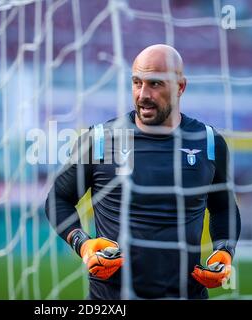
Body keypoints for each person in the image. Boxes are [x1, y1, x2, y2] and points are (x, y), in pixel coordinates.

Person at [45, 44, 241, 299]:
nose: (143, 94)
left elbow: (223, 207)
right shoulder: (104, 140)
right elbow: (58, 198)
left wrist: (224, 251)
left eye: (155, 84)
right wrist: (83, 243)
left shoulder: (208, 142)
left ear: (180, 87)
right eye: (137, 83)